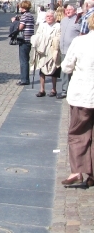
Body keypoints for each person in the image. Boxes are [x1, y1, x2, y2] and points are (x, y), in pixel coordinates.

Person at [59, 14, 94, 188]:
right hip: (86, 95)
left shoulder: (80, 42)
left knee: (78, 133)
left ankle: (77, 171)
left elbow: (66, 66)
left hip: (83, 95)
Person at [30, 10, 61, 97]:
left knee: (54, 70)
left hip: (52, 50)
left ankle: (54, 89)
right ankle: (42, 89)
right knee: (42, 70)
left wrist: (50, 39)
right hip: (42, 50)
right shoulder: (42, 25)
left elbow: (58, 37)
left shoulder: (58, 26)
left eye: (51, 16)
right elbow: (38, 35)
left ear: (54, 17)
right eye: (47, 16)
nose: (49, 18)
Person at [58, 4, 81, 99]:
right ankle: (64, 90)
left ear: (75, 11)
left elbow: (82, 34)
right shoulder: (63, 20)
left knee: (72, 71)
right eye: (67, 10)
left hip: (73, 50)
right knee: (64, 70)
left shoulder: (78, 21)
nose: (68, 11)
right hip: (63, 49)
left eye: (70, 10)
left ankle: (73, 91)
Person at [16, 0, 35, 86]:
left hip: (24, 40)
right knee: (26, 59)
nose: (19, 8)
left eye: (20, 7)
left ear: (23, 8)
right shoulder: (30, 15)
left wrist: (14, 22)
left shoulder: (24, 16)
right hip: (29, 39)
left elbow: (20, 27)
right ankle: (25, 78)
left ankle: (24, 79)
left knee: (23, 60)